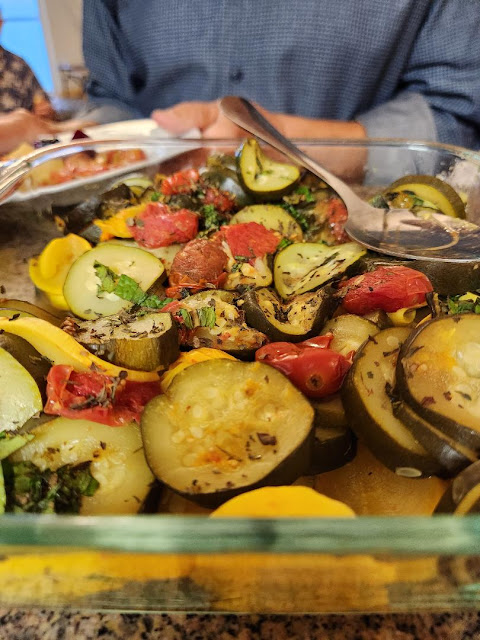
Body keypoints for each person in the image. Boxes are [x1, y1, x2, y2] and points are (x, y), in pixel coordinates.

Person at [82, 0, 480, 148]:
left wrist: (284, 142)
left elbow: (458, 118)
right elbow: (112, 97)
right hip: (144, 222)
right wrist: (60, 145)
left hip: (359, 227)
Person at [0, 10, 56, 119]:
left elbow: (43, 104)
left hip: (24, 132)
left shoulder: (18, 65)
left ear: (1, 23)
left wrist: (45, 111)